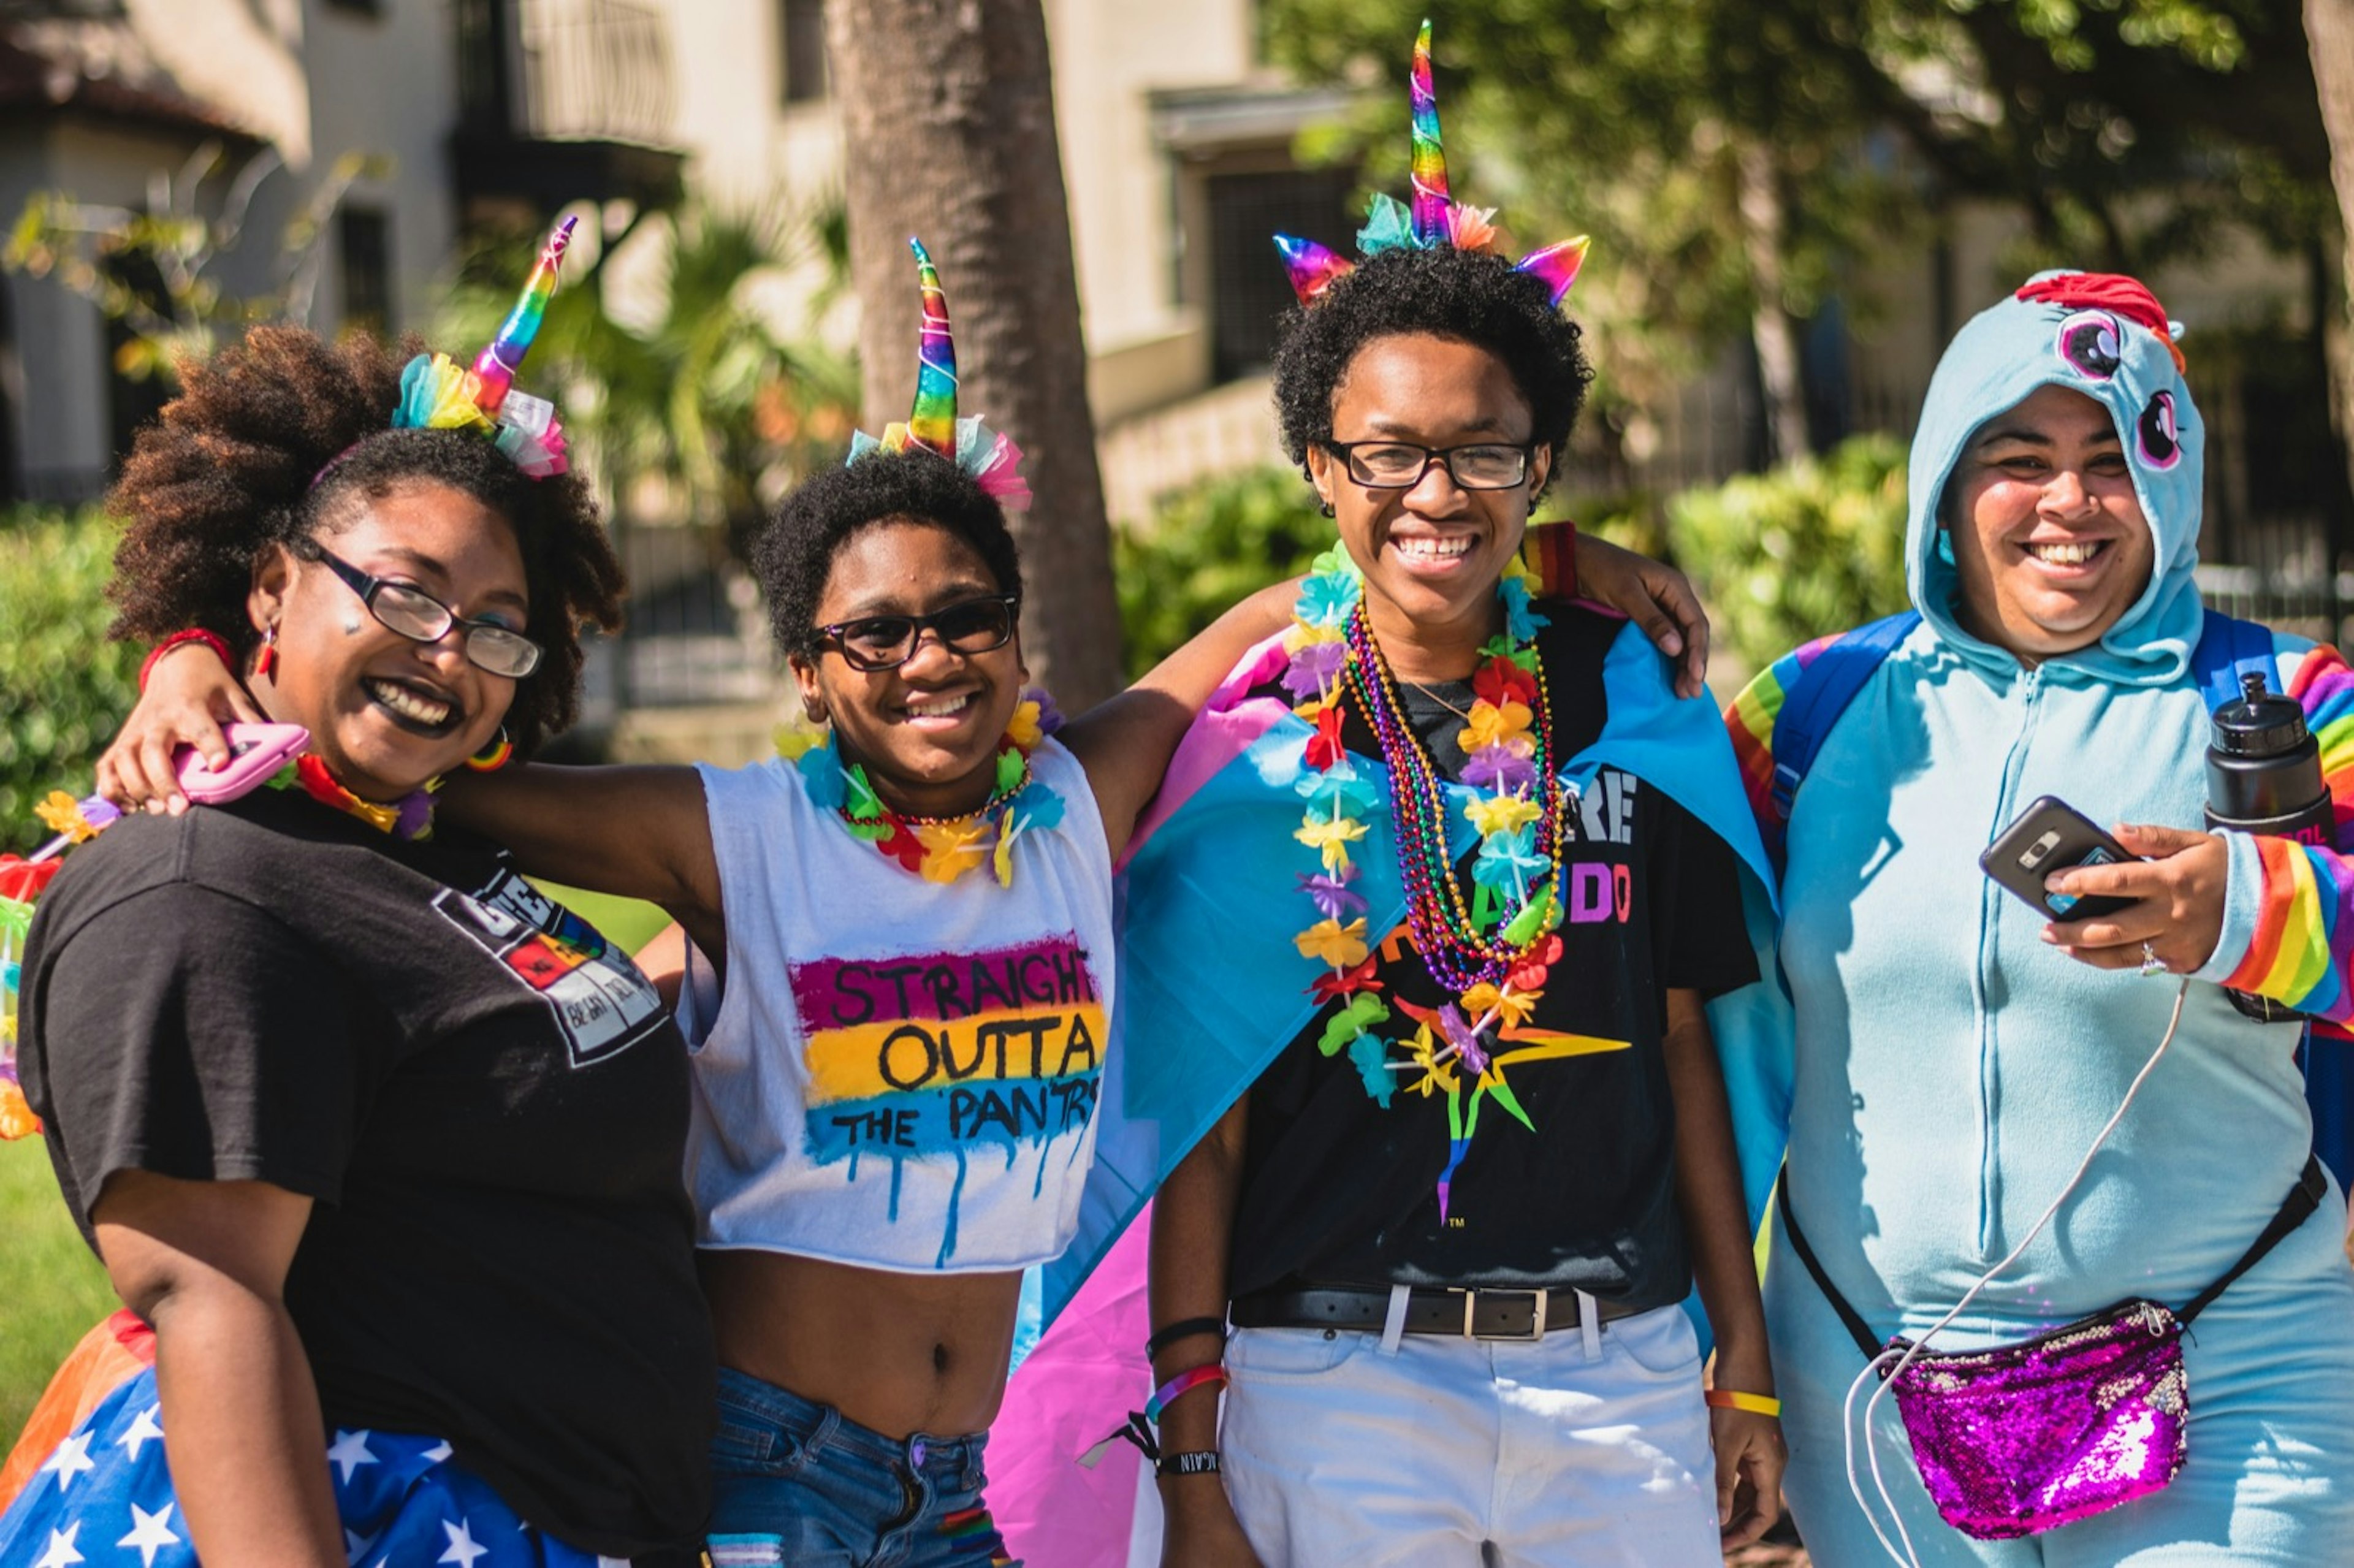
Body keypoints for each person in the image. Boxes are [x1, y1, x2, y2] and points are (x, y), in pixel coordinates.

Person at [99, 233, 1712, 1562]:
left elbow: (1304, 593)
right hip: (763, 1467)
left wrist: (1547, 551)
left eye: (966, 617)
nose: (928, 652)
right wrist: (197, 655)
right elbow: (407, 759)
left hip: (962, 1486)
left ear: (1021, 643)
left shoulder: (1082, 797)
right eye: (872, 632)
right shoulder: (729, 831)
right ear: (806, 671)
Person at [1094, 26, 1786, 1566]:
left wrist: (1741, 1364)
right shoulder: (1254, 745)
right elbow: (1202, 1116)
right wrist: (1193, 1448)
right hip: (1334, 1379)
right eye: (1388, 453)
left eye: (1484, 451)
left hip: (1619, 1376)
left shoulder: (1630, 702)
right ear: (1321, 473)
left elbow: (1683, 1048)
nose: (1436, 491)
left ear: (1542, 466)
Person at [0, 224, 717, 1565]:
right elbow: (211, 1300)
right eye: (407, 593)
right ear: (271, 585)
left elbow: (483, 1070)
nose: (450, 651)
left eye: (499, 625)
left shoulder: (404, 840)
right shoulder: (205, 888)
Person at [1718, 272, 2354, 1564]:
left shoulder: (2294, 698)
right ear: (1946, 490)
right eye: (2019, 459)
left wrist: (2244, 906)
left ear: (2169, 481)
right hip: (1872, 1396)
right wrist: (1715, 1346)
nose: (2070, 502)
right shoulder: (1807, 713)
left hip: (2235, 1378)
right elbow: (1710, 1051)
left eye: (2112, 460)